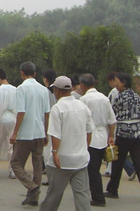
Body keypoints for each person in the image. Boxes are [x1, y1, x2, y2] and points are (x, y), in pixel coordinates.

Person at [40, 76, 94, 211]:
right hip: (80, 159)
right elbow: (89, 132)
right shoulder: (82, 106)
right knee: (82, 195)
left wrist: (55, 152)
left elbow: (55, 134)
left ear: (57, 91)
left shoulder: (57, 108)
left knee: (54, 195)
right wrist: (85, 148)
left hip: (62, 160)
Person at [105, 73, 140, 204]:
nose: (115, 84)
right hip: (137, 133)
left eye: (117, 81)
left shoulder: (120, 97)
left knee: (117, 161)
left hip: (124, 133)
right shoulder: (136, 96)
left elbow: (112, 114)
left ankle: (112, 189)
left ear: (123, 82)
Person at [10, 62, 50, 207]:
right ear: (34, 73)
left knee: (15, 162)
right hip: (39, 131)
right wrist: (46, 132)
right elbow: (47, 113)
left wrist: (15, 132)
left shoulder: (22, 89)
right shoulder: (43, 90)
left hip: (26, 132)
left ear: (22, 73)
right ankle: (34, 197)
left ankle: (32, 187)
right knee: (37, 164)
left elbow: (21, 112)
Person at [78, 73, 116, 207]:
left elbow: (81, 120)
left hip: (90, 137)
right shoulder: (104, 98)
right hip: (103, 136)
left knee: (92, 170)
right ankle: (92, 193)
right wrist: (110, 136)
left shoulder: (84, 99)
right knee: (95, 168)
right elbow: (112, 121)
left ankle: (98, 198)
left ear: (82, 85)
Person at [104, 71, 136, 179]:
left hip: (117, 125)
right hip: (124, 127)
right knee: (116, 149)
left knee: (115, 149)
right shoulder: (133, 95)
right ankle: (111, 170)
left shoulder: (115, 93)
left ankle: (129, 168)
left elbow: (112, 109)